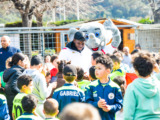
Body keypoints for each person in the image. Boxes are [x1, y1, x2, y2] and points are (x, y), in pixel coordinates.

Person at [124, 51, 160, 120]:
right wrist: (158, 70)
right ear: (152, 68)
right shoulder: (157, 84)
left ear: (135, 69)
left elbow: (127, 115)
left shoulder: (132, 87)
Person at [85, 56, 123, 120]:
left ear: (108, 71)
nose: (96, 71)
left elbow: (119, 104)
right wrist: (97, 104)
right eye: (96, 68)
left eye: (99, 69)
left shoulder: (115, 87)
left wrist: (110, 108)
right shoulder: (91, 86)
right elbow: (86, 103)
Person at [3, 53, 25, 120]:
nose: (25, 63)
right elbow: (13, 86)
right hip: (16, 100)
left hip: (9, 99)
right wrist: (21, 94)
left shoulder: (9, 71)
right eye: (24, 61)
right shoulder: (18, 72)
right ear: (20, 62)